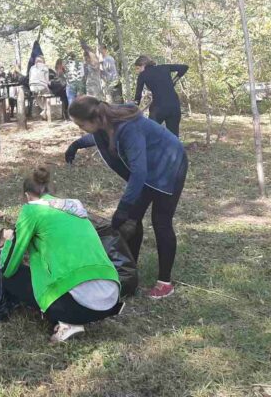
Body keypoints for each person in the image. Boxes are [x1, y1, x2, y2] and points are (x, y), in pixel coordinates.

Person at [64, 96, 188, 299]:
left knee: (161, 221)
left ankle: (165, 283)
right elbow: (98, 136)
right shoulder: (104, 121)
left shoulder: (129, 128)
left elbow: (139, 173)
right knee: (131, 220)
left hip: (169, 163)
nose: (80, 128)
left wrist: (123, 206)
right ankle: (130, 273)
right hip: (147, 166)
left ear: (94, 119)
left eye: (81, 125)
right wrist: (77, 144)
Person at [0, 166, 123, 342]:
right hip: (111, 299)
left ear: (27, 195)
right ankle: (71, 315)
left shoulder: (32, 211)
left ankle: (67, 322)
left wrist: (9, 241)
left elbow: (8, 268)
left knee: (9, 277)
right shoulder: (74, 207)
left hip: (78, 307)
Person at [133, 55, 188, 137]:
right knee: (173, 137)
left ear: (143, 65)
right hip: (174, 106)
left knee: (150, 134)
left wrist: (133, 107)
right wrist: (174, 81)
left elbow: (138, 95)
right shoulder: (164, 67)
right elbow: (184, 67)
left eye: (138, 68)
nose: (137, 71)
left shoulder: (142, 75)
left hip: (158, 108)